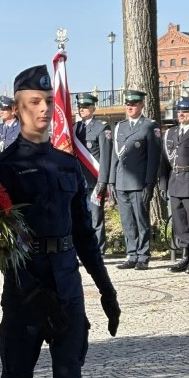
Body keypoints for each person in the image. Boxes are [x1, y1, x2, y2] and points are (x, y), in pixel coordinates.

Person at [0, 64, 120, 378]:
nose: (44, 110)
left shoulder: (67, 165)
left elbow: (84, 234)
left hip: (66, 289)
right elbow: (0, 244)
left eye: (48, 102)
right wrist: (30, 294)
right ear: (19, 109)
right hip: (25, 293)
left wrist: (106, 290)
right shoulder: (2, 169)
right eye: (34, 104)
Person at [98, 89, 160, 270]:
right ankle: (132, 254)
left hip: (139, 182)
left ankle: (143, 255)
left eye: (134, 104)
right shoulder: (120, 126)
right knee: (127, 220)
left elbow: (153, 158)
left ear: (141, 105)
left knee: (141, 220)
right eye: (128, 104)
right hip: (121, 181)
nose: (130, 107)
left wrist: (150, 183)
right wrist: (111, 181)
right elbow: (115, 158)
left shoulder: (149, 126)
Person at [159, 98, 189, 274]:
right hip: (174, 181)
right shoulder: (170, 133)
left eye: (185, 112)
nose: (181, 115)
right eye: (179, 112)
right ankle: (184, 257)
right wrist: (163, 183)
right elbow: (164, 161)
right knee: (179, 224)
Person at [74, 93, 112, 256]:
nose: (82, 110)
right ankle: (83, 249)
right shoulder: (75, 128)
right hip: (78, 181)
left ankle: (98, 250)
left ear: (93, 108)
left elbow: (105, 156)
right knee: (80, 217)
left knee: (96, 217)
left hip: (95, 180)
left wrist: (103, 181)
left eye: (85, 107)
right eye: (80, 107)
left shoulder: (102, 127)